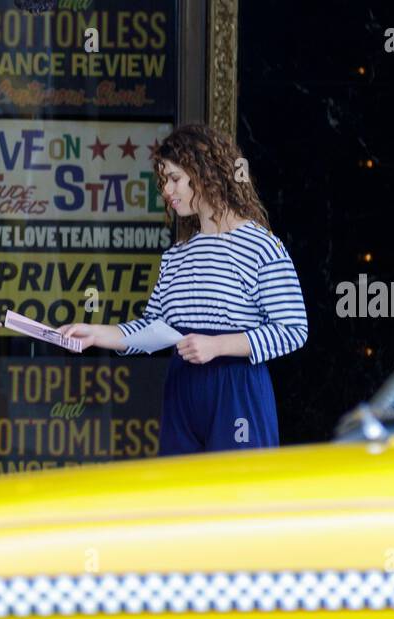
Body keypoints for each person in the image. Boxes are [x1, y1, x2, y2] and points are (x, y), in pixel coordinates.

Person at [63, 123, 307, 454]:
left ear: (205, 173)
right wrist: (97, 334)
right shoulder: (177, 253)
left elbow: (293, 329)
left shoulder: (261, 246)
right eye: (163, 180)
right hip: (182, 388)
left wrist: (217, 345)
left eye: (174, 178)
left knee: (237, 498)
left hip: (235, 388)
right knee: (181, 497)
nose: (166, 190)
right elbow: (155, 327)